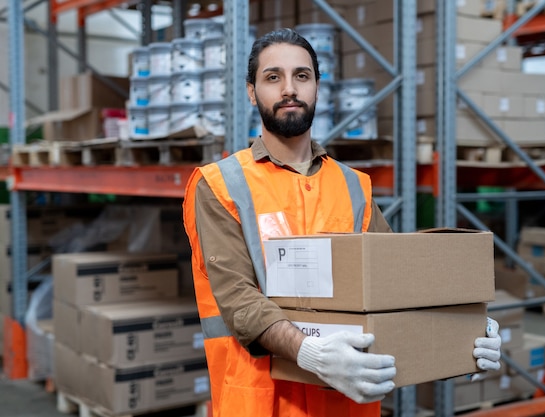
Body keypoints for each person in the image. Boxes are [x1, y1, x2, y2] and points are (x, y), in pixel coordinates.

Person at [182, 27, 501, 417]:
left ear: (317, 87)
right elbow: (238, 299)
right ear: (252, 92)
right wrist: (310, 352)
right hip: (260, 403)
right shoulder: (220, 185)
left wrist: (465, 333)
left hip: (346, 405)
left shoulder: (354, 187)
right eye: (272, 77)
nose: (289, 89)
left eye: (302, 76)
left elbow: (400, 287)